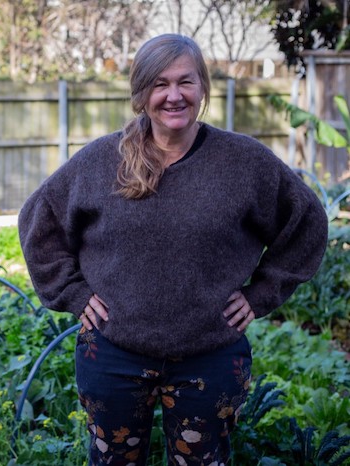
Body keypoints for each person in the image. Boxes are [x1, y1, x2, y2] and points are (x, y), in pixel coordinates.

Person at [17, 34, 328, 466]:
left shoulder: (244, 163)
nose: (174, 95)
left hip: (210, 358)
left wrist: (262, 294)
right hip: (113, 355)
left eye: (186, 82)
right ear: (141, 92)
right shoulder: (100, 161)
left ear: (202, 88)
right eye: (160, 83)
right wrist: (72, 293)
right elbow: (39, 220)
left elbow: (307, 222)